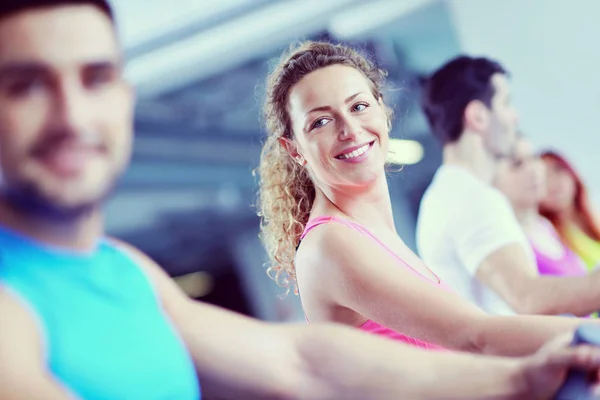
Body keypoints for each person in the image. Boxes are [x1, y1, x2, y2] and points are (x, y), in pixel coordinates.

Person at [4, 2, 600, 400]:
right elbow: (473, 334)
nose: (72, 116)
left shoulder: (123, 272)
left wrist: (521, 377)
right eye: (25, 85)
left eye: (96, 78)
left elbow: (306, 361)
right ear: (294, 148)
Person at [256, 39, 600, 360]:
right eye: (321, 122)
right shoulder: (331, 243)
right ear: (295, 150)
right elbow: (477, 334)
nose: (349, 129)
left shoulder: (371, 235)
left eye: (358, 106)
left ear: (382, 110)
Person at [416, 55, 600, 317]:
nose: (515, 117)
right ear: (478, 116)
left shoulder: (454, 192)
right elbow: (527, 297)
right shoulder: (469, 196)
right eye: (506, 103)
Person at [494, 137, 587, 278]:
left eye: (533, 158)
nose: (533, 170)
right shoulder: (505, 236)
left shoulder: (545, 226)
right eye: (517, 164)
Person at [540, 150, 600, 271]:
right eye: (543, 176)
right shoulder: (545, 235)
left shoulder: (595, 219)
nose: (552, 182)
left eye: (558, 170)